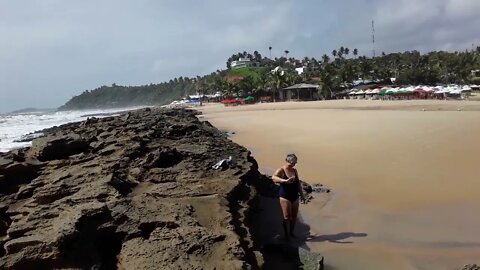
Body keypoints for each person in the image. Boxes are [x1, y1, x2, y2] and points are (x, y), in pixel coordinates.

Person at [272, 154, 305, 240]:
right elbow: (273, 178)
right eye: (292, 163)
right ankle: (286, 235)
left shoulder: (294, 170)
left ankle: (291, 232)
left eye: (295, 163)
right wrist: (285, 181)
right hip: (285, 197)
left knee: (294, 216)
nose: (293, 165)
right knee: (287, 217)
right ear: (287, 161)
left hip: (295, 196)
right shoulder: (281, 170)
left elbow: (298, 183)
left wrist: (302, 195)